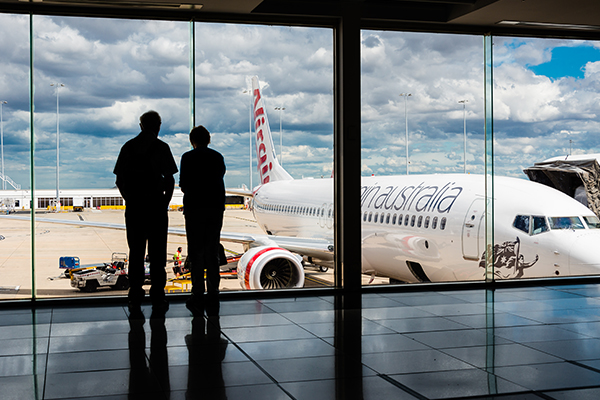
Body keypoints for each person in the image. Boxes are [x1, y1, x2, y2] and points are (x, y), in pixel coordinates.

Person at [114, 110, 178, 317]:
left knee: (136, 252)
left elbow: (119, 180)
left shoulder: (128, 147)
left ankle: (135, 292)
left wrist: (130, 199)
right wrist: (164, 202)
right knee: (158, 254)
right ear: (158, 126)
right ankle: (158, 293)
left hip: (135, 208)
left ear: (140, 126)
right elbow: (170, 180)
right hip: (156, 208)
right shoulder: (162, 148)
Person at [179, 125, 226, 316]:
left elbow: (183, 184)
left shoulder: (187, 158)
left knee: (196, 253)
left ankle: (197, 293)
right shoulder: (217, 157)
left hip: (195, 210)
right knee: (212, 252)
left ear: (192, 141)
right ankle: (213, 293)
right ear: (209, 140)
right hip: (215, 210)